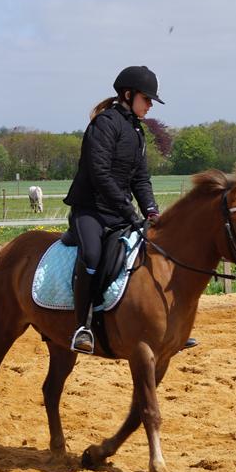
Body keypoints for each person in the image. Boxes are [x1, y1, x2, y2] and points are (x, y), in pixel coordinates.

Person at [63, 65, 163, 353]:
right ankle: (82, 326)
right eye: (147, 99)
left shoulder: (136, 131)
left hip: (118, 212)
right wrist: (129, 210)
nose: (150, 106)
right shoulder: (104, 124)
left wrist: (151, 211)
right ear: (128, 95)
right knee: (93, 256)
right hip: (90, 210)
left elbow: (140, 178)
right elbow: (100, 174)